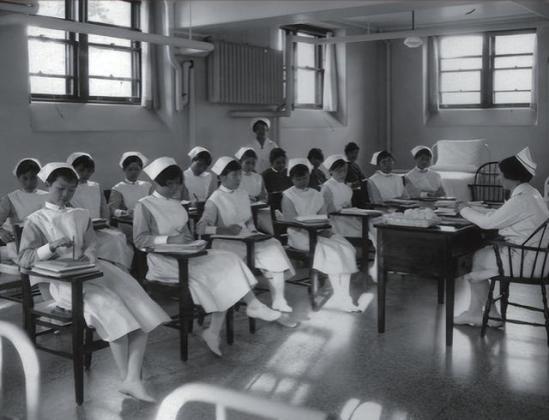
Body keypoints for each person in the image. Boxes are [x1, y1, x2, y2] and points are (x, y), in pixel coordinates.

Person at [17, 162, 170, 402]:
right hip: (65, 283)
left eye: (71, 190)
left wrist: (89, 254)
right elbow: (24, 259)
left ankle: (131, 379)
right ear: (48, 185)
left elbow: (90, 244)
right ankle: (127, 377)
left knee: (141, 310)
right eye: (60, 189)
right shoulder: (36, 220)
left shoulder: (80, 214)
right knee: (114, 311)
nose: (65, 195)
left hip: (93, 272)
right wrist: (51, 247)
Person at [133, 157, 296, 357]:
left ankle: (225, 324)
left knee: (229, 260)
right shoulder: (144, 205)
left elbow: (187, 234)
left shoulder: (177, 204)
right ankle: (243, 312)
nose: (177, 188)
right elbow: (140, 240)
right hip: (164, 261)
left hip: (186, 254)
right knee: (217, 274)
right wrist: (169, 239)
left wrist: (191, 242)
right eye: (172, 184)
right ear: (161, 183)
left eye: (178, 183)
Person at [454, 147, 549, 327]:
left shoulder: (520, 199)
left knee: (475, 257)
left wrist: (463, 209)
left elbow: (487, 223)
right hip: (540, 259)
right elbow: (502, 215)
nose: (498, 178)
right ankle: (481, 314)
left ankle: (485, 314)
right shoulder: (531, 193)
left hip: (526, 262)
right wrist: (473, 208)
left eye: (500, 174)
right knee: (482, 256)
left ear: (512, 177)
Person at [197, 157, 296, 312]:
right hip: (226, 241)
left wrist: (253, 230)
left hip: (247, 236)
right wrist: (224, 230)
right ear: (222, 177)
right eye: (234, 175)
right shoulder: (214, 199)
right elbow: (201, 229)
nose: (238, 179)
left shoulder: (243, 194)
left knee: (273, 245)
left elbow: (248, 220)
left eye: (239, 175)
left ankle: (278, 299)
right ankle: (251, 301)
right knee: (239, 258)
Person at [281, 158, 360, 312]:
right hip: (300, 235)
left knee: (346, 248)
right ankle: (341, 295)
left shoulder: (316, 194)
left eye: (305, 178)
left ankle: (344, 294)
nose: (302, 182)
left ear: (309, 176)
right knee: (332, 251)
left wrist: (323, 228)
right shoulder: (288, 196)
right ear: (292, 179)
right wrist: (313, 229)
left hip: (319, 231)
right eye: (298, 179)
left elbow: (324, 216)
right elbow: (291, 221)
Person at [67, 152, 133, 270]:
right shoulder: (69, 188)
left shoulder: (96, 186)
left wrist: (105, 222)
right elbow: (69, 211)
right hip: (81, 229)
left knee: (118, 237)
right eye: (81, 170)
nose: (85, 174)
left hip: (99, 227)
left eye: (89, 171)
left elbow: (104, 208)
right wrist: (85, 226)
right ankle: (99, 268)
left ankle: (117, 270)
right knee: (104, 242)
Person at [0, 158, 48, 262]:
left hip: (44, 242)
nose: (29, 182)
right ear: (18, 178)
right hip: (19, 244)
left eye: (33, 178)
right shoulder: (10, 199)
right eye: (25, 178)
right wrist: (2, 232)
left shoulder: (48, 196)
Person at [235, 146, 272, 234]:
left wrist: (261, 199)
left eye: (253, 163)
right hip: (240, 209)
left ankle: (271, 235)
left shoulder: (258, 177)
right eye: (247, 163)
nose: (250, 166)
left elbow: (264, 195)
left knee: (271, 216)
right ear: (240, 162)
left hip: (258, 208)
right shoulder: (236, 177)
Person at [109, 152, 153, 218]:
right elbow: (112, 209)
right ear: (124, 169)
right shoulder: (118, 188)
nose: (133, 172)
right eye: (130, 169)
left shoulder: (147, 185)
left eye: (137, 169)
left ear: (141, 169)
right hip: (127, 221)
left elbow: (153, 204)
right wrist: (123, 212)